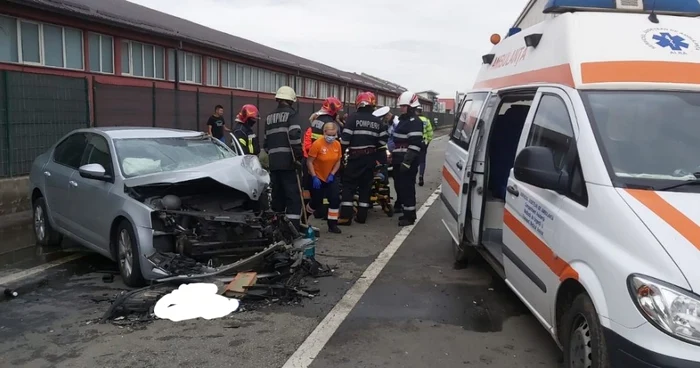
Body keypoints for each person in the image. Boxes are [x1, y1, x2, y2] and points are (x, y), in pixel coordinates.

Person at [339, 92, 388, 225]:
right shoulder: (378, 121)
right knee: (365, 187)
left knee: (349, 186)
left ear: (358, 103)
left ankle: (345, 217)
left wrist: (340, 157)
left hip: (355, 158)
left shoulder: (352, 118)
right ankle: (362, 217)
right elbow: (383, 142)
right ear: (372, 104)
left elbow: (344, 141)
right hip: (370, 159)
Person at [264, 86, 304, 230]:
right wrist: (298, 156)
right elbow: (294, 135)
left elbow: (266, 143)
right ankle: (293, 230)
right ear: (291, 100)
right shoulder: (292, 114)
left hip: (274, 163)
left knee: (277, 197)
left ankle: (276, 228)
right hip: (289, 162)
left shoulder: (269, 117)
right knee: (293, 197)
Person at [303, 97, 343, 215]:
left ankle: (323, 217)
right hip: (321, 165)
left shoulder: (316, 120)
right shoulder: (331, 124)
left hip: (316, 161)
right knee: (326, 197)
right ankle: (317, 214)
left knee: (321, 195)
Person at [392, 91, 424, 227]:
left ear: (411, 106)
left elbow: (415, 145)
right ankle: (405, 211)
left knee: (407, 188)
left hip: (407, 161)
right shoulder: (403, 121)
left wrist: (407, 162)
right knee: (400, 187)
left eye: (404, 106)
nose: (401, 108)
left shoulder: (415, 122)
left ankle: (410, 216)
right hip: (398, 159)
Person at [307, 122, 343, 234]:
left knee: (334, 199)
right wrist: (314, 177)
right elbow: (309, 162)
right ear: (324, 133)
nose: (331, 137)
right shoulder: (317, 144)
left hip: (331, 176)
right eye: (329, 134)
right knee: (316, 201)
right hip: (318, 176)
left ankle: (332, 224)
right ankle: (304, 218)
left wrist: (332, 174)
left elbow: (338, 161)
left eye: (334, 135)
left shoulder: (337, 144)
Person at [416, 106, 434, 187]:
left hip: (415, 143)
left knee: (413, 160)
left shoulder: (413, 120)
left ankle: (412, 178)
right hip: (424, 142)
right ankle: (421, 176)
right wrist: (428, 142)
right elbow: (430, 133)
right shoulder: (426, 120)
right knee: (422, 161)